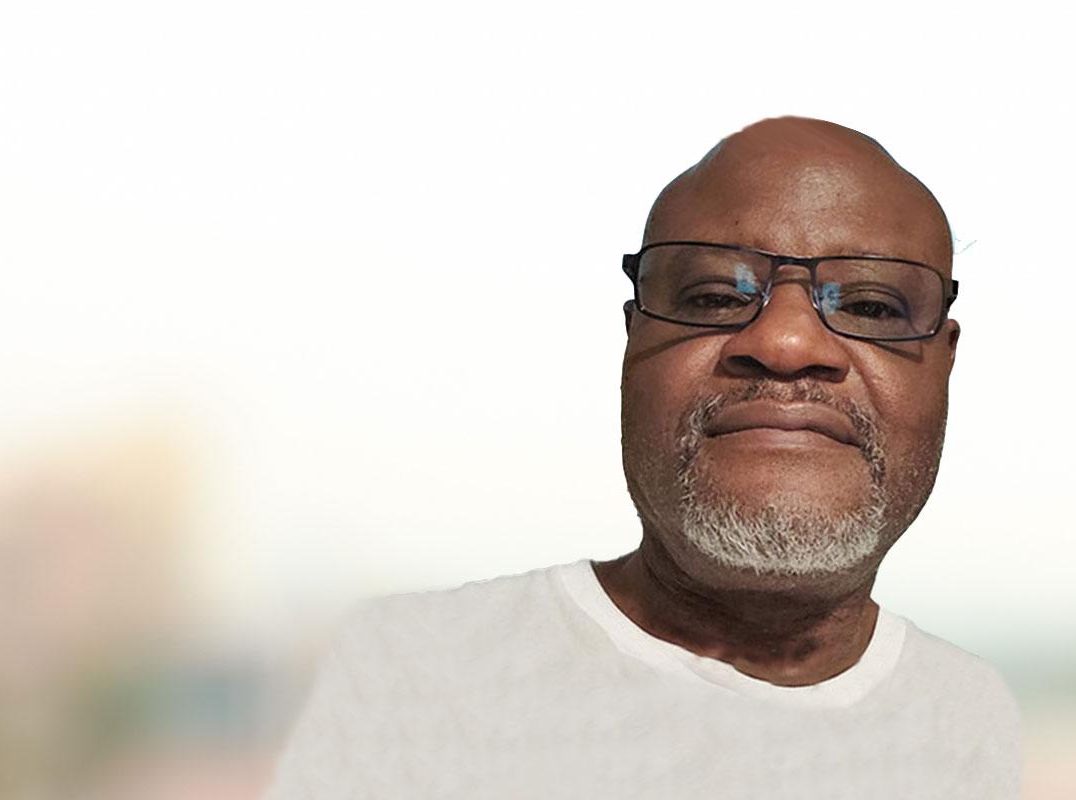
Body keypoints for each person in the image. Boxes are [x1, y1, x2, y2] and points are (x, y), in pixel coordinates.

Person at [263, 117, 1020, 798]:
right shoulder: (415, 677)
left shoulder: (966, 716)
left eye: (871, 307)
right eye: (716, 297)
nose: (786, 344)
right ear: (632, 348)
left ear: (945, 365)